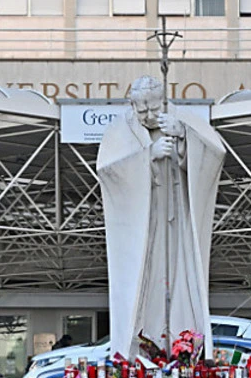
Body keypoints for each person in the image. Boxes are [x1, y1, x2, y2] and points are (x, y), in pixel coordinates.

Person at [97, 76, 226, 360]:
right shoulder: (119, 131)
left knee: (182, 275)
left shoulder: (184, 120)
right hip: (144, 224)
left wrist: (184, 137)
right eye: (141, 110)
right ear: (131, 104)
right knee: (146, 279)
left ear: (164, 102)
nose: (148, 116)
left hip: (179, 221)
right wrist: (148, 156)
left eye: (154, 109)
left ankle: (184, 345)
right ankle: (143, 349)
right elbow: (107, 171)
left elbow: (216, 154)